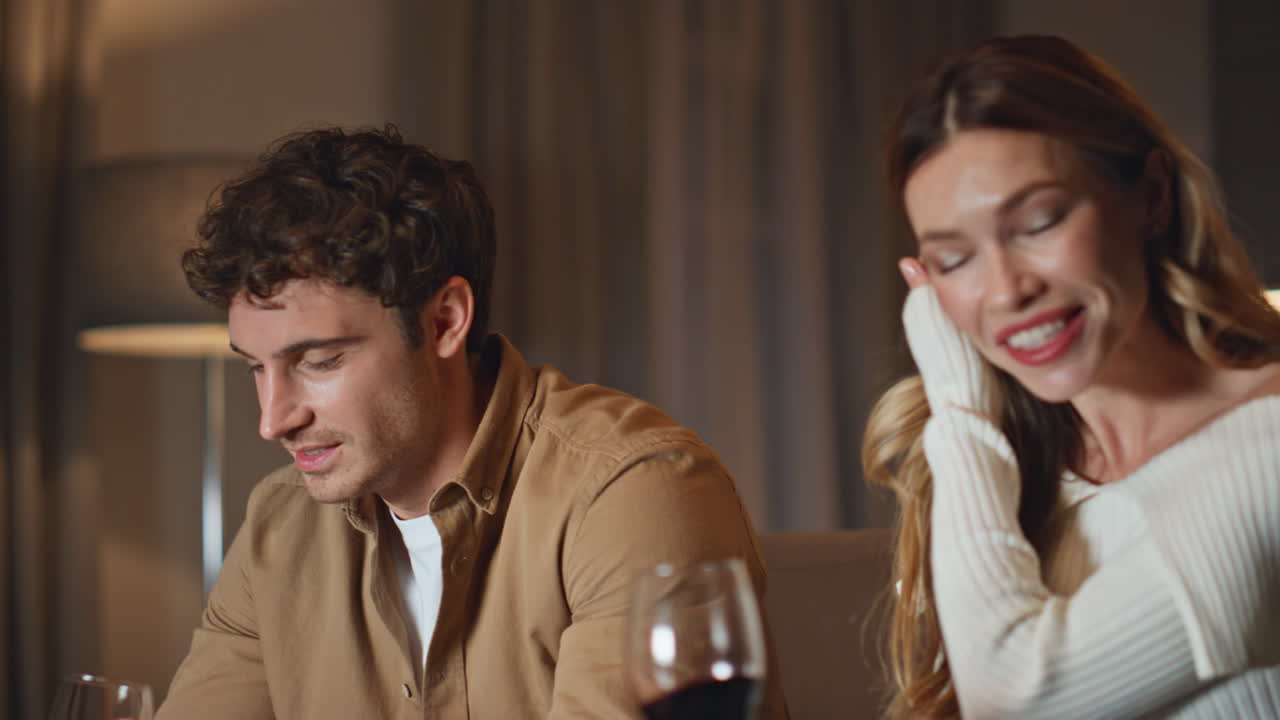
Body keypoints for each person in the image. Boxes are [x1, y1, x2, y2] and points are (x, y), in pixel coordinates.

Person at [156, 126, 788, 719]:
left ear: (444, 321)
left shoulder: (630, 490)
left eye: (317, 361)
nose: (273, 419)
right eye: (254, 369)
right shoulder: (277, 525)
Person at [862, 35, 1280, 718]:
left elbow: (1018, 698)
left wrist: (958, 404)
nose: (1005, 290)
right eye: (954, 258)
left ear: (1150, 198)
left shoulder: (1268, 449)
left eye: (1039, 221)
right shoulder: (1024, 465)